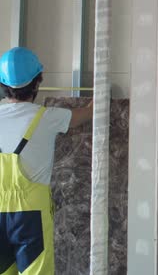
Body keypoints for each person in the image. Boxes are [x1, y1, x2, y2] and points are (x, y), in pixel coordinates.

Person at [0, 47, 93, 275]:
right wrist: (101, 96)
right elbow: (87, 113)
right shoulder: (48, 117)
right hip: (30, 217)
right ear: (37, 83)